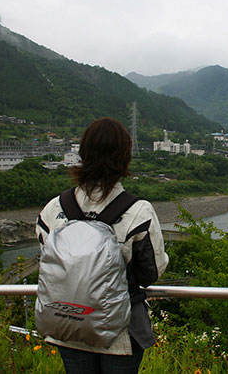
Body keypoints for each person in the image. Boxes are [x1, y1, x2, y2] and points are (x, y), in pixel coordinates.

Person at [35, 117, 169, 373]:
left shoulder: (54, 209)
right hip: (120, 333)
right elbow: (151, 273)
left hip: (67, 326)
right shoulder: (138, 212)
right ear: (125, 158)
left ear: (83, 154)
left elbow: (48, 262)